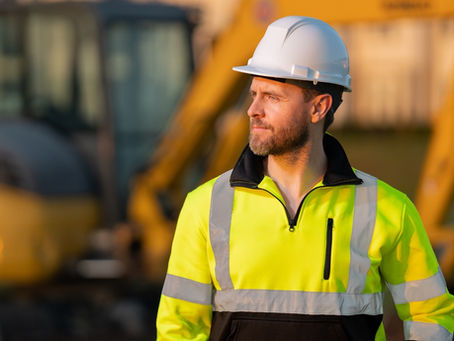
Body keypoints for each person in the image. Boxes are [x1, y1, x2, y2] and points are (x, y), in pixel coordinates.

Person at [156, 16, 454, 340]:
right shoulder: (205, 207)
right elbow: (179, 328)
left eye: (271, 97)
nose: (252, 110)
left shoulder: (389, 210)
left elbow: (431, 314)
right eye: (253, 94)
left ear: (319, 107)